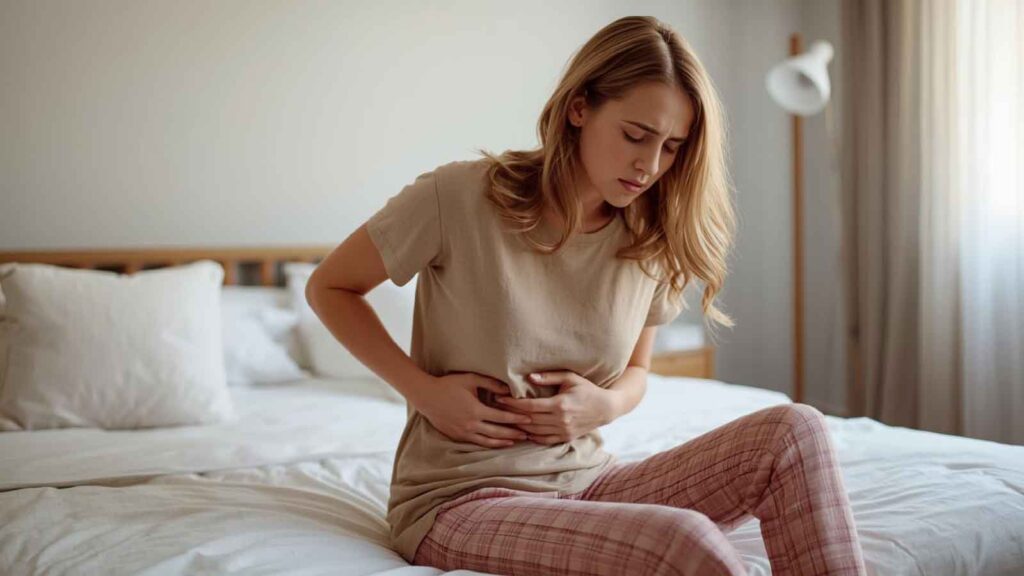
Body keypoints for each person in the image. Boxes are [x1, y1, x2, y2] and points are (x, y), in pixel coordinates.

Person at [305, 15, 867, 576]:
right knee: (680, 541)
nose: (649, 165)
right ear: (579, 108)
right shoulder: (458, 197)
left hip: (591, 480)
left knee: (797, 431)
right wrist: (423, 391)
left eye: (671, 147)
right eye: (635, 135)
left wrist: (606, 404)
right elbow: (329, 286)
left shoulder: (651, 236)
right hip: (461, 499)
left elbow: (638, 372)